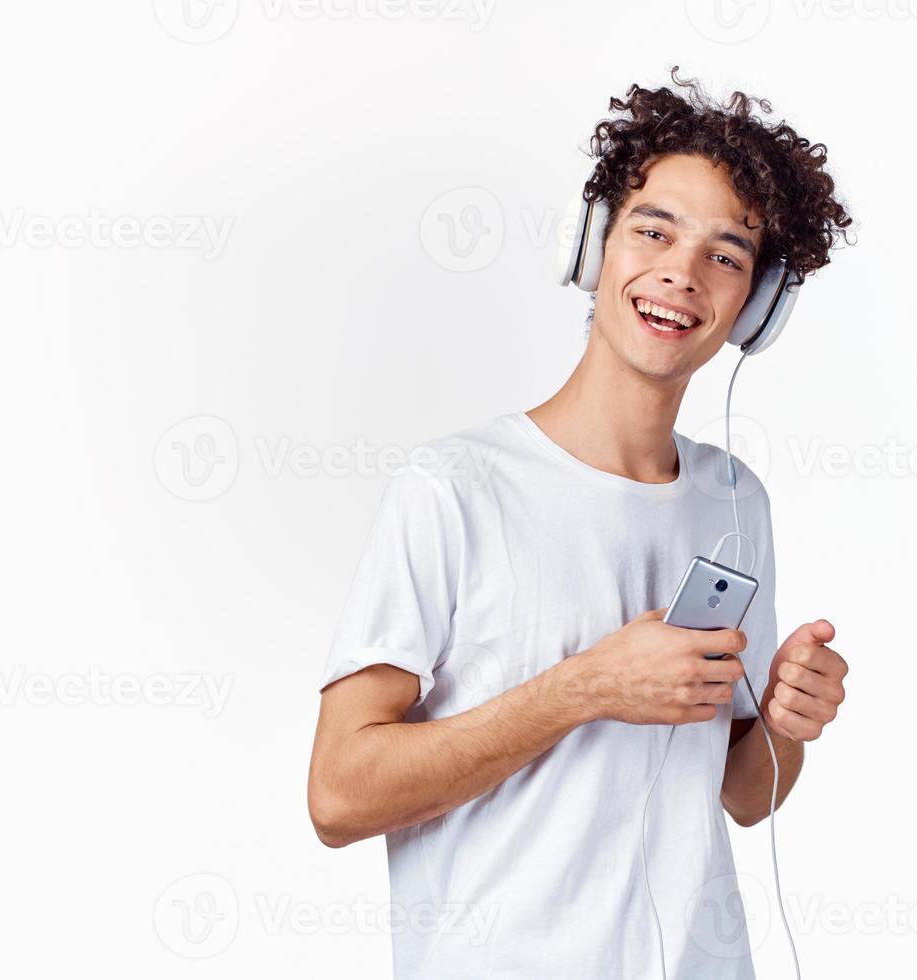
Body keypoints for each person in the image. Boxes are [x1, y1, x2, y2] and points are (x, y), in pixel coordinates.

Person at [308, 67, 853, 979]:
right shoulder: (453, 488)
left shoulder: (735, 500)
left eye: (726, 254)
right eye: (654, 230)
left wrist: (787, 724)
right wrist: (585, 688)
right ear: (595, 243)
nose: (682, 271)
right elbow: (337, 796)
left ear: (756, 306)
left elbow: (742, 794)